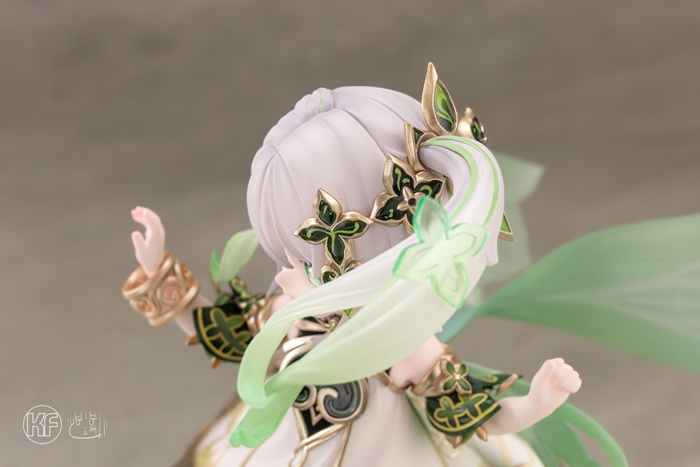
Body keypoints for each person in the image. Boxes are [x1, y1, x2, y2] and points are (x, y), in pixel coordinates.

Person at [127, 63, 700, 466]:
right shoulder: (290, 311)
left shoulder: (394, 345)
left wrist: (536, 402)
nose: (283, 272)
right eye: (289, 256)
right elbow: (225, 332)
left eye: (301, 256)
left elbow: (468, 409)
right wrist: (159, 275)